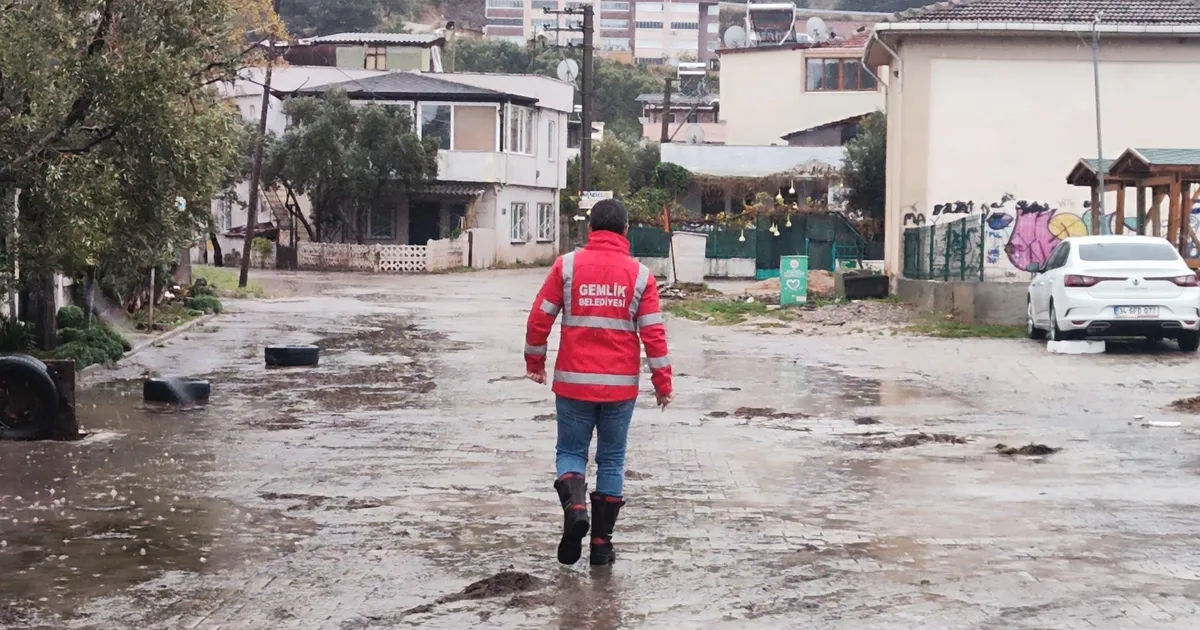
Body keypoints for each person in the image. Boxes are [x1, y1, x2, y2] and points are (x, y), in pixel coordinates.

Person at [524, 198, 673, 567]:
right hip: (620, 388)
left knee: (571, 453)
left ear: (590, 229)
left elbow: (540, 317)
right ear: (625, 230)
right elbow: (653, 334)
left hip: (573, 384)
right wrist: (663, 383)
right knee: (611, 460)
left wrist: (535, 361)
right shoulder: (641, 276)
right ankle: (602, 546)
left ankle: (575, 508)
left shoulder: (567, 266)